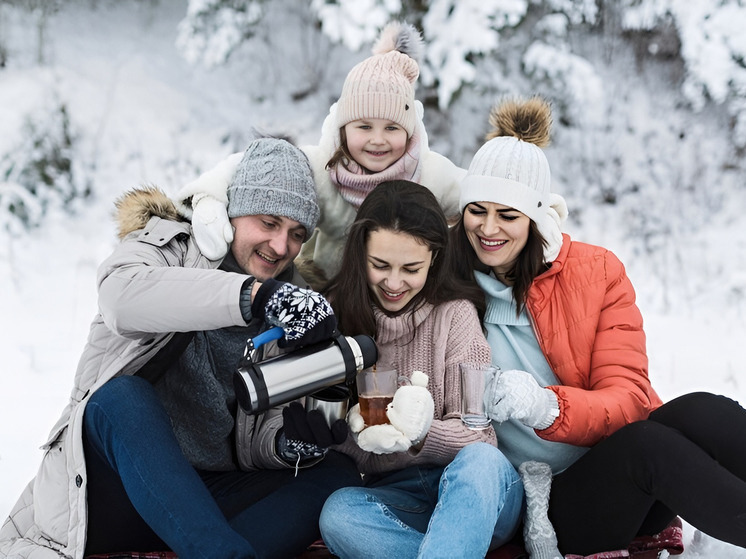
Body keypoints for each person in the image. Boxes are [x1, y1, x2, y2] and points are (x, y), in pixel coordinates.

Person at [0, 137, 363, 559]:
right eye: (268, 222)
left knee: (336, 473)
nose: (281, 247)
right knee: (121, 398)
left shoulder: (293, 302)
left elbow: (261, 436)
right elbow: (121, 299)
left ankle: (213, 548)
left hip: (207, 500)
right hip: (111, 491)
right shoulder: (168, 246)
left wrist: (293, 445)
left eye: (296, 233)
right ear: (234, 212)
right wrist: (255, 296)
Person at [450, 96, 746, 556]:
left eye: (508, 215)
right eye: (477, 210)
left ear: (535, 218)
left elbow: (628, 398)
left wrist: (546, 408)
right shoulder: (443, 282)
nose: (489, 229)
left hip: (620, 470)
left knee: (700, 409)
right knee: (649, 446)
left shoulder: (594, 272)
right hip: (545, 504)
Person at [317, 180, 524, 559]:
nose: (393, 283)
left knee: (480, 462)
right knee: (339, 513)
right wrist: (355, 429)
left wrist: (420, 432)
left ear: (434, 258)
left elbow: (480, 438)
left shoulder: (455, 314)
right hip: (400, 498)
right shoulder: (335, 314)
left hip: (476, 493)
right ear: (359, 254)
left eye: (411, 268)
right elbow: (338, 443)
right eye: (380, 265)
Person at [174, 21, 466, 283]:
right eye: (364, 127)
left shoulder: (428, 173)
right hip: (328, 291)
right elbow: (254, 165)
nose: (378, 140)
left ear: (409, 131)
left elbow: (480, 193)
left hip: (402, 291)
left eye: (392, 128)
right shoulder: (322, 167)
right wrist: (208, 197)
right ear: (343, 128)